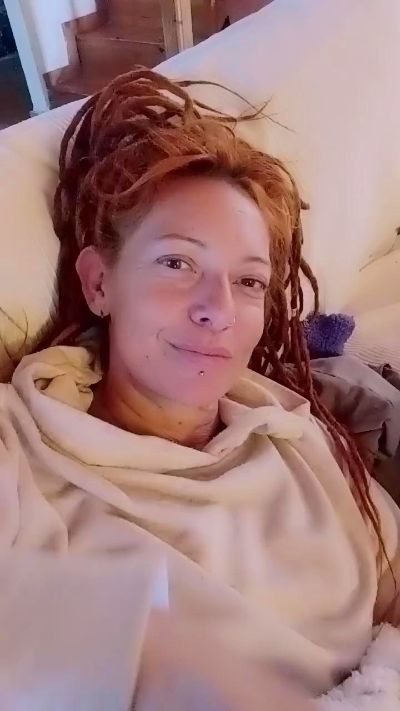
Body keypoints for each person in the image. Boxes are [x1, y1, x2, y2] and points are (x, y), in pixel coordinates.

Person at [0, 68, 399, 709]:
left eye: (248, 282)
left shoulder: (292, 427)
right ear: (99, 283)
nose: (218, 310)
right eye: (178, 263)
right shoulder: (20, 448)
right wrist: (146, 648)